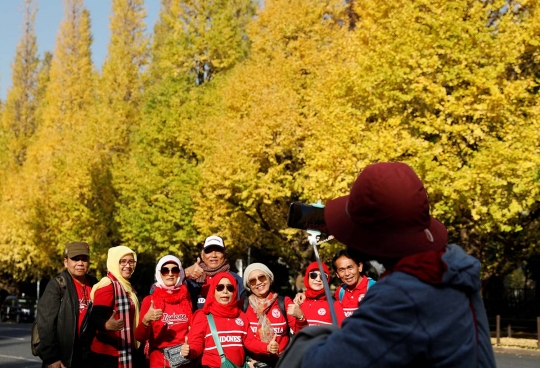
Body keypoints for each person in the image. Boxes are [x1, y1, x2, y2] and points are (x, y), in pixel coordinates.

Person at [277, 162, 496, 367]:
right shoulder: (453, 269)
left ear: (366, 238)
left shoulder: (404, 294)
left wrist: (315, 335)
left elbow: (324, 363)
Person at [184, 272, 278, 368]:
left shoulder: (240, 315)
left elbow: (249, 341)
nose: (225, 291)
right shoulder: (204, 316)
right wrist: (189, 351)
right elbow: (196, 344)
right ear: (213, 291)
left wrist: (267, 347)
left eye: (230, 288)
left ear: (234, 292)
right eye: (220, 287)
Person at [36, 242, 98, 368]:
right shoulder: (57, 286)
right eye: (75, 259)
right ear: (66, 262)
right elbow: (45, 324)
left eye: (84, 259)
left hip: (89, 357)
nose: (80, 263)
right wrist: (52, 358)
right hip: (64, 358)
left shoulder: (95, 284)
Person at [242, 263, 307, 367]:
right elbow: (247, 340)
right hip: (254, 364)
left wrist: (300, 317)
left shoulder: (284, 302)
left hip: (281, 362)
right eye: (253, 281)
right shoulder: (243, 306)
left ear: (270, 278)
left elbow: (300, 334)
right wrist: (267, 348)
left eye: (262, 277)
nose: (258, 283)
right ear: (249, 286)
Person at [134, 255, 193, 367]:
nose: (170, 274)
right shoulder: (149, 301)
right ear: (159, 273)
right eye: (165, 270)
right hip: (160, 361)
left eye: (174, 270)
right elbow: (139, 337)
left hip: (184, 361)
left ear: (180, 273)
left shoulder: (187, 298)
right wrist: (146, 321)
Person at [89, 245, 142, 368]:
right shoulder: (108, 285)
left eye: (131, 261)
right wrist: (106, 325)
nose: (128, 265)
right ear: (114, 262)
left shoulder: (126, 285)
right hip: (107, 356)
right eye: (122, 261)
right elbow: (95, 316)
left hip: (124, 350)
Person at [184, 235, 244, 309]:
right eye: (209, 251)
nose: (213, 255)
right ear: (202, 255)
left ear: (225, 255)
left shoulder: (237, 281)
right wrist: (184, 273)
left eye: (218, 251)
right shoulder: (191, 279)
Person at [299, 261, 345, 326]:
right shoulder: (299, 302)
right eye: (313, 275)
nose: (318, 279)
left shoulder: (334, 305)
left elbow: (343, 332)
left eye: (323, 276)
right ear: (307, 278)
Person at [332, 249, 375, 317]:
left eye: (350, 268)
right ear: (337, 274)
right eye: (342, 270)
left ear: (360, 267)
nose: (347, 273)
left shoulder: (374, 288)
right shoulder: (340, 291)